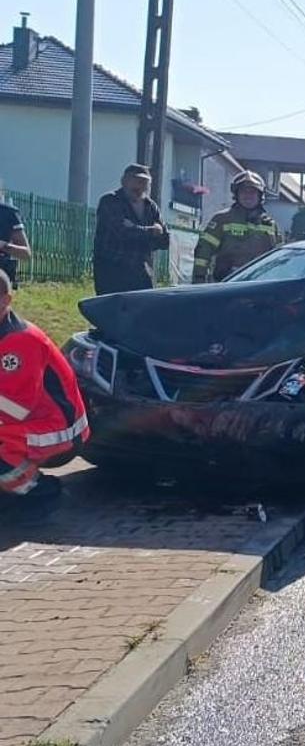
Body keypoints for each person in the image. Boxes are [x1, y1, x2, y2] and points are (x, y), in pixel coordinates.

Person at [0, 270, 89, 510]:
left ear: (6, 301)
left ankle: (38, 492)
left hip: (60, 429)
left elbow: (14, 411)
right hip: (36, 421)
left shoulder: (19, 342)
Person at [92, 164, 170, 295]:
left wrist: (136, 229)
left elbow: (164, 241)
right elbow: (121, 233)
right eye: (135, 180)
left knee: (144, 311)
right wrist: (151, 231)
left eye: (144, 182)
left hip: (141, 271)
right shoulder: (110, 201)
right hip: (112, 270)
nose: (139, 186)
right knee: (113, 311)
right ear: (124, 181)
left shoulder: (150, 207)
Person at [194, 171, 280, 283]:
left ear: (260, 196)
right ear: (236, 195)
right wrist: (199, 278)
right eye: (244, 192)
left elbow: (278, 258)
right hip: (227, 283)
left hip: (259, 284)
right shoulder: (222, 219)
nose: (248, 196)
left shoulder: (269, 225)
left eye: (252, 192)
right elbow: (204, 250)